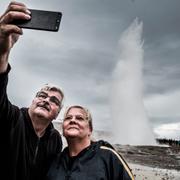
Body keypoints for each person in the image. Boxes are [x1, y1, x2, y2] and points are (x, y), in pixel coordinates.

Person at [0, 1, 64, 180]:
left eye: (54, 100)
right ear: (33, 101)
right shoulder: (12, 118)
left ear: (57, 114)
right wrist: (2, 53)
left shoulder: (55, 139)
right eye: (42, 95)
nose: (46, 100)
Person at [47, 105, 135, 180]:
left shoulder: (108, 157)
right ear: (63, 129)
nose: (72, 120)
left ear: (90, 129)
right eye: (68, 118)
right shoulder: (55, 161)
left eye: (79, 118)